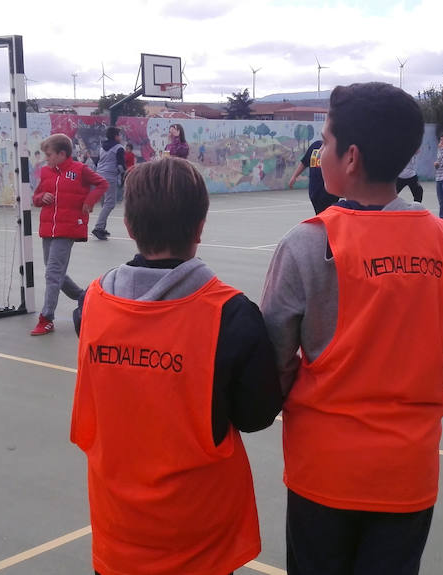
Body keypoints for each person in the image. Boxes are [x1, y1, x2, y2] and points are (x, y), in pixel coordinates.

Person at [260, 82, 443, 575]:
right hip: (407, 472)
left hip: (324, 470)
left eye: (325, 141)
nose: (319, 152)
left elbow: (273, 360)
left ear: (352, 158)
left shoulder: (305, 245)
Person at [71, 157, 282, 575]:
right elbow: (256, 415)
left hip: (119, 529)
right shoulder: (232, 314)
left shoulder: (90, 305)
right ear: (200, 226)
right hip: (198, 533)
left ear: (129, 227)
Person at [30, 134, 108, 336]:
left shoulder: (79, 170)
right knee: (54, 271)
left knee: (52, 273)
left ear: (62, 154)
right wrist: (41, 197)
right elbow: (36, 197)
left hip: (67, 229)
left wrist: (89, 201)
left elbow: (102, 184)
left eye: (49, 155)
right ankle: (82, 296)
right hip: (49, 228)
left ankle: (46, 318)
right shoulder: (47, 172)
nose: (46, 159)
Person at [92, 127, 125, 240]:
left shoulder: (102, 147)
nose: (120, 137)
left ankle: (101, 228)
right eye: (119, 135)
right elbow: (120, 166)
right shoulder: (119, 148)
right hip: (109, 176)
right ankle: (98, 227)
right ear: (116, 136)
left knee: (104, 203)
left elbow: (96, 162)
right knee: (110, 203)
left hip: (99, 175)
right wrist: (125, 175)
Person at [289, 140, 340, 214]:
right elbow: (304, 162)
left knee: (327, 215)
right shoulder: (315, 146)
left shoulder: (336, 146)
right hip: (314, 190)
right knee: (319, 214)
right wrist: (294, 176)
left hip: (329, 191)